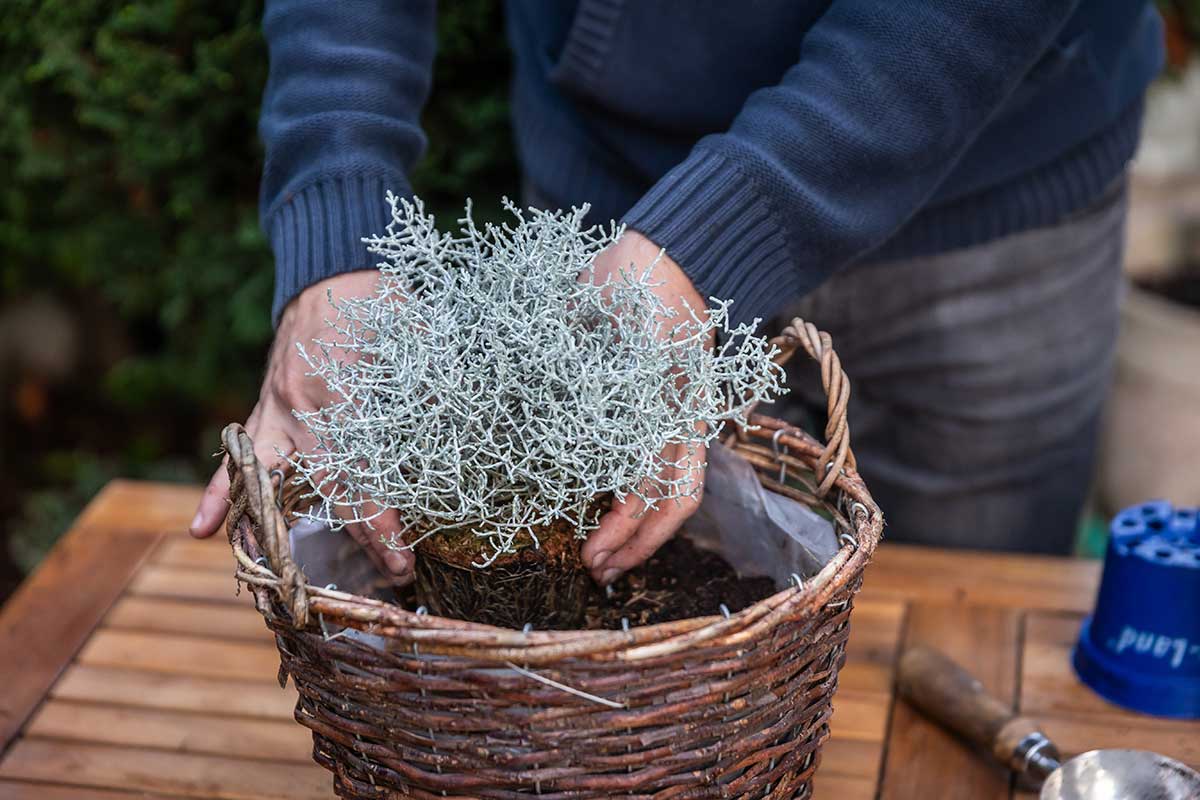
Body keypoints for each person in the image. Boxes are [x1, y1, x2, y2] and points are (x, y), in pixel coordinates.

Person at [190, 1, 1165, 583]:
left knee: (968, 627)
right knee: (610, 640)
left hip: (998, 182)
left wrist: (716, 238)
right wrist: (340, 195)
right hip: (614, 205)